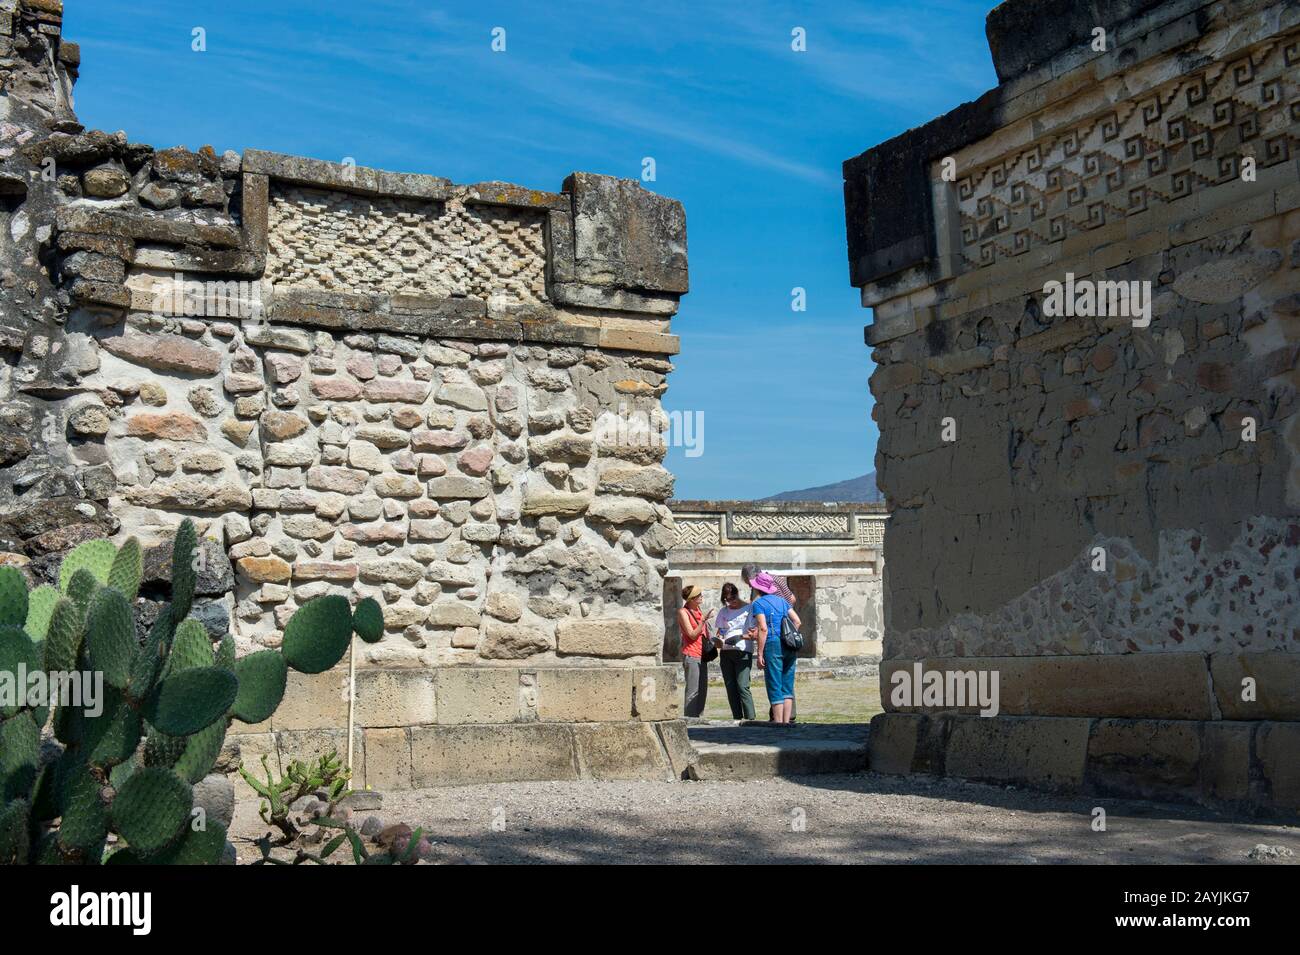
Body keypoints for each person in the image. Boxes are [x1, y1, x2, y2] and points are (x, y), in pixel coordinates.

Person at [741, 564, 800, 722]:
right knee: (787, 686)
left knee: (774, 685)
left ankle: (778, 724)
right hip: (788, 645)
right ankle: (787, 722)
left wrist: (759, 653)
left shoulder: (758, 604)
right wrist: (788, 634)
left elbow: (763, 628)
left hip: (772, 644)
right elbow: (797, 621)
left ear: (757, 588)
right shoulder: (782, 602)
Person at [713, 582, 755, 721]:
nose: (730, 602)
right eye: (727, 600)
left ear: (737, 595)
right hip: (726, 651)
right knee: (730, 687)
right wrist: (719, 639)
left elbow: (753, 633)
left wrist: (739, 637)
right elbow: (720, 631)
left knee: (742, 686)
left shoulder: (748, 609)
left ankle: (750, 719)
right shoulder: (723, 612)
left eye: (732, 598)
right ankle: (737, 717)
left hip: (743, 650)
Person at [676, 584, 715, 717]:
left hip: (702, 654)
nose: (701, 597)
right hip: (691, 654)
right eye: (698, 595)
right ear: (691, 599)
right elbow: (691, 634)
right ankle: (690, 721)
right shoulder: (683, 612)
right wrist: (702, 621)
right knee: (692, 691)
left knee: (702, 690)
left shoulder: (698, 610)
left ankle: (699, 720)